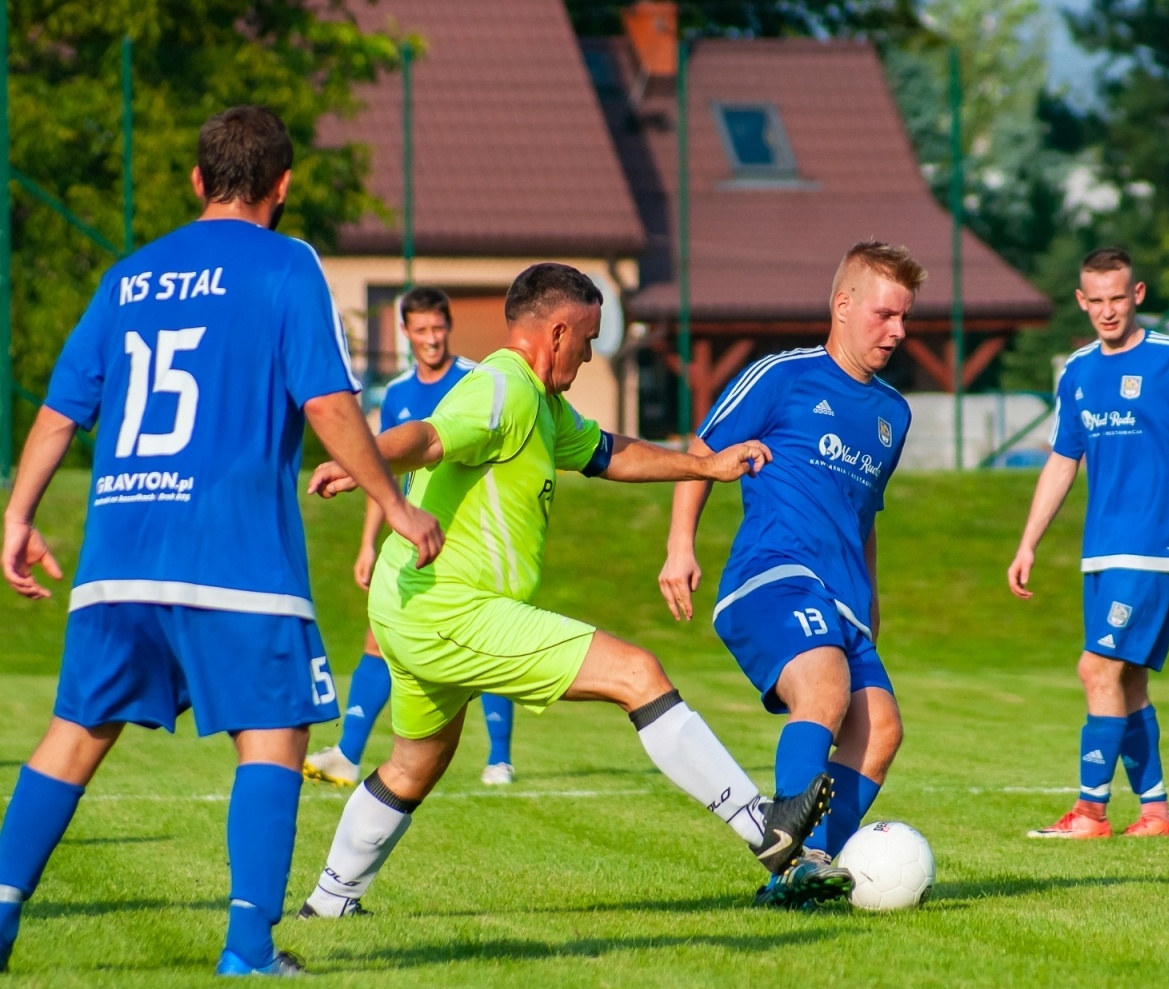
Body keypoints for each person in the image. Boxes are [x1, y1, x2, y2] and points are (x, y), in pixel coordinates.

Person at [0, 106, 441, 976]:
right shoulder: (287, 265)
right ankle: (247, 948)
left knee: (74, 734)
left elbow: (58, 414)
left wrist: (16, 518)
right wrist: (391, 504)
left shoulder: (128, 276)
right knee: (273, 736)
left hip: (120, 554)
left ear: (198, 181)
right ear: (283, 186)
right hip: (235, 555)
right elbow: (324, 402)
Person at [298, 263, 831, 920]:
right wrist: (364, 461)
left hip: (408, 604)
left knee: (416, 762)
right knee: (637, 672)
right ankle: (765, 830)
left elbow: (609, 452)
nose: (588, 354)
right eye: (588, 339)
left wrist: (705, 465)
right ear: (556, 332)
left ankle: (327, 905)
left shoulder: (542, 404)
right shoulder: (503, 388)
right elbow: (430, 438)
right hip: (451, 609)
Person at [659, 241, 921, 907]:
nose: (898, 332)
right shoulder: (782, 376)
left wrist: (874, 602)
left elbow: (866, 518)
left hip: (845, 600)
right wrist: (680, 545)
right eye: (886, 315)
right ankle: (796, 855)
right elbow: (704, 452)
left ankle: (805, 874)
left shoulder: (895, 412)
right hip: (772, 575)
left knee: (880, 728)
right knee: (825, 690)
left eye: (905, 318)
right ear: (843, 305)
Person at [1006, 246, 1169, 839]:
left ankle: (1090, 813)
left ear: (1137, 295)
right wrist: (1028, 544)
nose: (1108, 311)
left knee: (1095, 669)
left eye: (1118, 298)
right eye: (1096, 300)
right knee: (1126, 680)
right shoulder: (1078, 371)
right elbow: (1063, 462)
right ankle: (1156, 813)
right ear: (1081, 301)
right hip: (1102, 552)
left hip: (1155, 548)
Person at [304, 286, 519, 788]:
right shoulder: (397, 392)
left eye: (438, 328)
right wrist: (366, 545)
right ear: (405, 332)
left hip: (468, 533)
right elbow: (382, 471)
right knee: (377, 637)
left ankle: (500, 759)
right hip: (410, 536)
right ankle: (348, 754)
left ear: (449, 327)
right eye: (420, 330)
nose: (431, 338)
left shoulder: (475, 380)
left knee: (492, 637)